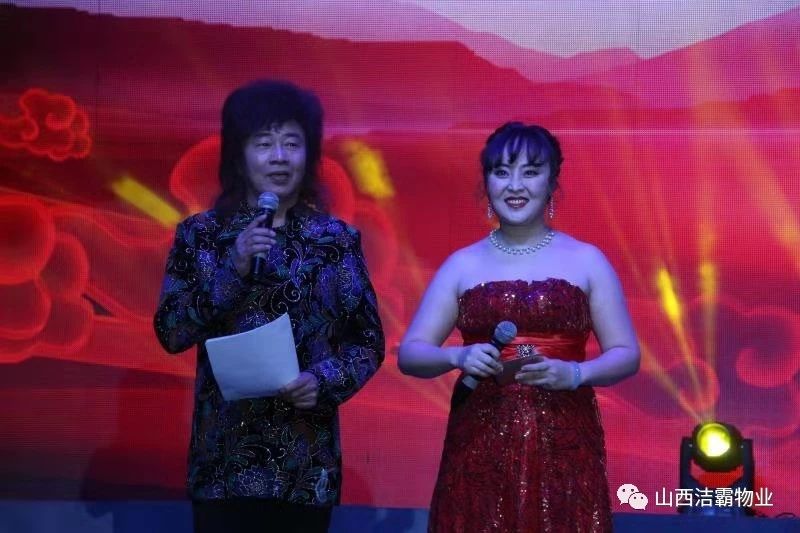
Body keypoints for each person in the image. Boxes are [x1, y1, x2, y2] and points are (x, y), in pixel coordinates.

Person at [154, 80, 384, 533]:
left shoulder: (334, 242)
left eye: (292, 143)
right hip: (223, 464)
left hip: (304, 465)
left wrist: (323, 381)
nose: (279, 157)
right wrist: (233, 270)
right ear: (239, 155)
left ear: (309, 155)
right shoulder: (201, 237)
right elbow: (171, 331)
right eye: (264, 143)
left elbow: (368, 342)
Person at [398, 122, 640, 532]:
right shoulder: (462, 264)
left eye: (530, 172)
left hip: (565, 440)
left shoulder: (587, 260)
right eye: (502, 172)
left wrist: (576, 374)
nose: (514, 185)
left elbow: (626, 354)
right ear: (486, 182)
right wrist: (458, 356)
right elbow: (411, 353)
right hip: (478, 441)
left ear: (552, 182)